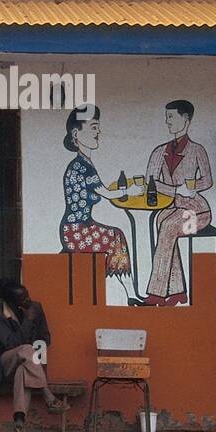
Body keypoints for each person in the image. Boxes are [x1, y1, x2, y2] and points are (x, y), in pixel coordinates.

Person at [59, 105, 138, 304]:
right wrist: (130, 191)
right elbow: (107, 193)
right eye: (94, 127)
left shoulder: (84, 163)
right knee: (116, 237)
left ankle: (129, 294)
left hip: (79, 227)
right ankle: (129, 295)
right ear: (76, 134)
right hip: (76, 230)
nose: (98, 132)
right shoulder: (81, 166)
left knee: (115, 236)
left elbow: (102, 189)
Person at [143, 100, 213, 306]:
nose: (167, 121)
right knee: (161, 223)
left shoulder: (197, 150)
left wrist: (191, 187)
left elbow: (207, 180)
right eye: (167, 117)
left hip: (197, 212)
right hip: (172, 207)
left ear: (186, 119)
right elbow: (150, 182)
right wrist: (175, 190)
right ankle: (177, 292)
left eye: (171, 117)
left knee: (167, 228)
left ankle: (155, 294)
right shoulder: (159, 152)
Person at [0, 278, 69, 432]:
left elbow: (45, 338)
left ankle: (19, 424)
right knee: (26, 349)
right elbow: (11, 343)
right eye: (22, 298)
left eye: (27, 295)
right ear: (11, 302)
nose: (28, 300)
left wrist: (38, 362)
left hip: (30, 364)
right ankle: (47, 395)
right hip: (4, 362)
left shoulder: (36, 308)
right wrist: (28, 320)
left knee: (23, 372)